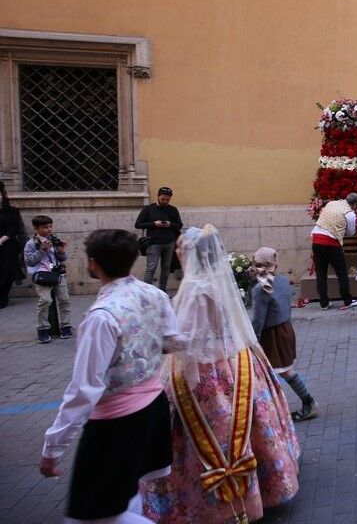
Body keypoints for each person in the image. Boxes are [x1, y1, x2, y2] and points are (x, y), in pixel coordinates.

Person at [142, 225, 300, 523]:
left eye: (180, 247)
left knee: (209, 426)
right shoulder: (218, 283)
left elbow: (186, 339)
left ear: (190, 253)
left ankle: (212, 500)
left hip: (205, 369)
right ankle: (265, 484)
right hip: (237, 358)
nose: (177, 251)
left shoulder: (196, 289)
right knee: (255, 418)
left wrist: (152, 340)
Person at [39, 229, 187, 524]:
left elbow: (84, 389)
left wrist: (53, 447)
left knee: (92, 516)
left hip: (118, 424)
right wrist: (144, 342)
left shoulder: (101, 317)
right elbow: (173, 341)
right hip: (153, 409)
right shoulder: (154, 294)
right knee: (128, 496)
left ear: (93, 264)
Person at [251, 247, 318, 422]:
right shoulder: (283, 280)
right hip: (286, 328)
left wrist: (253, 340)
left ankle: (307, 403)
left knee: (280, 371)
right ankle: (279, 407)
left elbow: (258, 320)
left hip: (272, 335)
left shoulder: (261, 289)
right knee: (279, 370)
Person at [311, 192, 357, 311]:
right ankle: (347, 300)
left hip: (316, 239)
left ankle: (324, 303)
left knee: (321, 273)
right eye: (356, 205)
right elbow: (350, 232)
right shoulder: (350, 214)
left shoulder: (332, 203)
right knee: (341, 272)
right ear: (354, 204)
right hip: (331, 243)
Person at [25, 215, 72, 343]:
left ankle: (66, 326)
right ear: (36, 228)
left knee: (64, 300)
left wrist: (62, 251)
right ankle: (42, 329)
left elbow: (63, 258)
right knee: (45, 300)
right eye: (45, 227)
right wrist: (42, 250)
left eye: (50, 226)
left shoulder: (55, 239)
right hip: (42, 275)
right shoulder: (31, 244)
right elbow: (29, 261)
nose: (49, 229)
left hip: (57, 273)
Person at [135, 187, 183, 292]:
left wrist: (170, 224)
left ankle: (162, 291)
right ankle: (147, 293)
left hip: (169, 243)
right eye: (163, 199)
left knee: (166, 268)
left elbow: (179, 225)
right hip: (153, 243)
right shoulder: (148, 209)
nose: (165, 201)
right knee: (151, 268)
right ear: (158, 196)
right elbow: (138, 224)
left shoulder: (173, 210)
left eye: (167, 200)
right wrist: (154, 224)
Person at [0, 180, 25, 309]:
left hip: (8, 246)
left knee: (8, 272)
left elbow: (14, 228)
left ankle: (3, 297)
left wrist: (2, 240)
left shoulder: (11, 211)